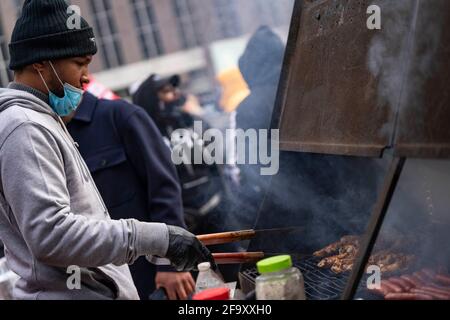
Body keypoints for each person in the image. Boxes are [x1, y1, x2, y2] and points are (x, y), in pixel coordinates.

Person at [0, 0, 213, 300]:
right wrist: (155, 238)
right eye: (79, 64)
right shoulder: (24, 126)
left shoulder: (42, 120)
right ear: (41, 63)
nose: (87, 77)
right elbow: (51, 234)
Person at [66, 91, 195, 300]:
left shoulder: (120, 116)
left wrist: (170, 263)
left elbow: (164, 190)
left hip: (152, 278)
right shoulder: (45, 134)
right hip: (97, 284)